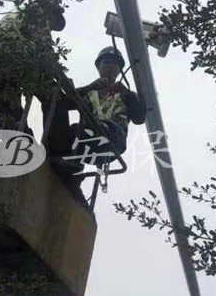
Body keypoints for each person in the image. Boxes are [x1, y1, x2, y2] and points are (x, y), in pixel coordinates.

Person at [43, 46, 146, 201]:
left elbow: (139, 118)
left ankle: (72, 161)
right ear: (99, 67)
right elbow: (63, 103)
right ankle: (65, 164)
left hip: (113, 140)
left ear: (119, 70)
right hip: (87, 141)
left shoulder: (127, 94)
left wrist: (126, 93)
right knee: (72, 129)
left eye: (114, 64)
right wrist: (90, 87)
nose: (110, 66)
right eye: (106, 63)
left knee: (96, 129)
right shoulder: (90, 91)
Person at [0, 0, 66, 130]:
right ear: (50, 13)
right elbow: (44, 49)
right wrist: (57, 72)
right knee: (55, 98)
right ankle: (58, 143)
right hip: (9, 60)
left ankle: (7, 137)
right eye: (51, 26)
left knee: (8, 114)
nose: (49, 30)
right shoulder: (39, 11)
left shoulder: (17, 16)